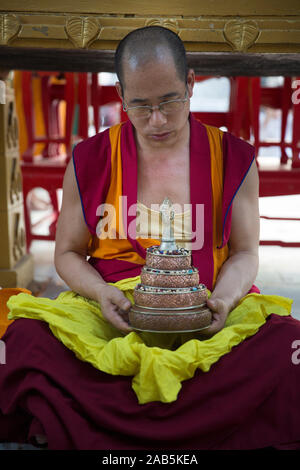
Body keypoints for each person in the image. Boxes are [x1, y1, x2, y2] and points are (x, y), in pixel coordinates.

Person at [0, 26, 299, 451]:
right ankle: (206, 429)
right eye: (140, 105)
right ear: (121, 94)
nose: (156, 120)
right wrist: (101, 294)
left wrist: (226, 300)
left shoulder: (233, 157)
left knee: (290, 348)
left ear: (191, 84)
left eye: (169, 102)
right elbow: (67, 252)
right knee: (22, 343)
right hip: (114, 312)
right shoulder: (91, 158)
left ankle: (95, 425)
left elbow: (245, 252)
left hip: (206, 305)